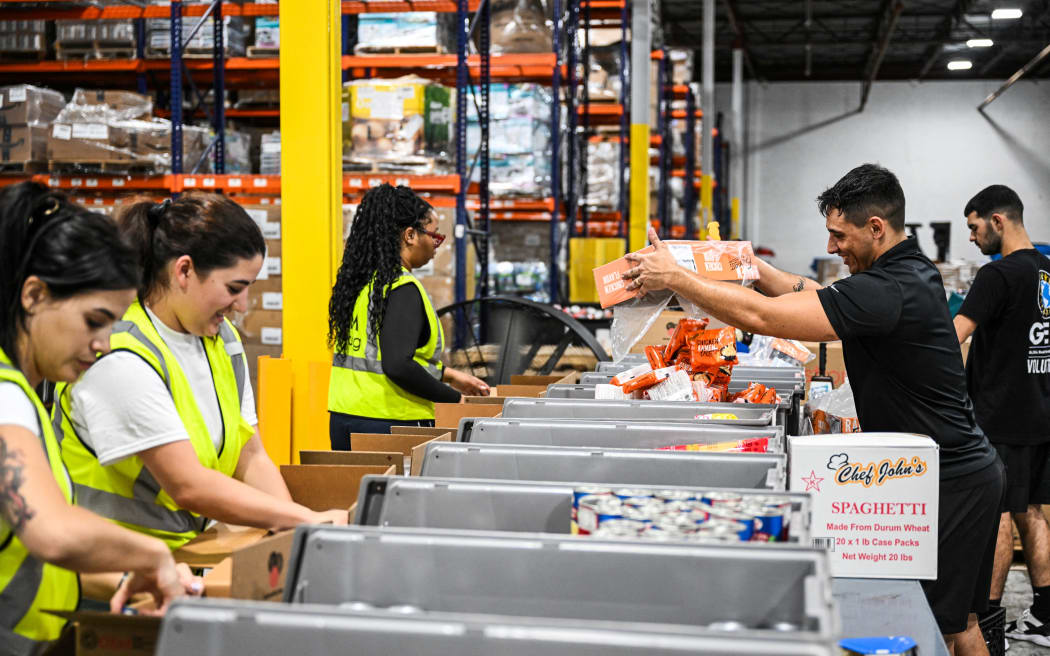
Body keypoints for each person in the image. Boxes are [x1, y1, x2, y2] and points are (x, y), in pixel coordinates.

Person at [622, 163, 1004, 655]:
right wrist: (753, 268)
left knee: (943, 624)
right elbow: (815, 294)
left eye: (838, 235)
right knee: (957, 622)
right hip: (953, 470)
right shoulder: (902, 272)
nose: (831, 247)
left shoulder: (888, 289)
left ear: (875, 228)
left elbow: (763, 317)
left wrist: (680, 279)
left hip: (952, 479)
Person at [55, 193, 346, 553]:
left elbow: (249, 454)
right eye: (233, 288)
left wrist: (296, 532)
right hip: (113, 569)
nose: (241, 306)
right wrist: (302, 520)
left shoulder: (222, 340)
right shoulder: (119, 354)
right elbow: (187, 485)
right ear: (184, 271)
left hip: (188, 556)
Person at [0, 182, 198, 654]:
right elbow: (52, 532)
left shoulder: (26, 395)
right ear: (34, 295)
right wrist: (152, 554)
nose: (104, 344)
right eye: (94, 321)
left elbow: (33, 555)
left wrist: (130, 578)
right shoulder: (5, 398)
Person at [953, 185, 1050, 646]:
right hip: (1041, 412)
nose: (971, 237)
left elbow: (955, 335)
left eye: (974, 227)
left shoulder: (998, 275)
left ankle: (988, 624)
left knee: (997, 516)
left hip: (999, 415)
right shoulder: (1047, 271)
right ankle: (1046, 616)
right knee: (1032, 510)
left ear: (997, 221)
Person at [327, 184, 489, 446]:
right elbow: (398, 365)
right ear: (410, 235)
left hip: (345, 417)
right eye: (434, 236)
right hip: (391, 422)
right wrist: (454, 399)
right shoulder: (402, 288)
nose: (436, 246)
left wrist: (450, 375)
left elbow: (381, 354)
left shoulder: (360, 285)